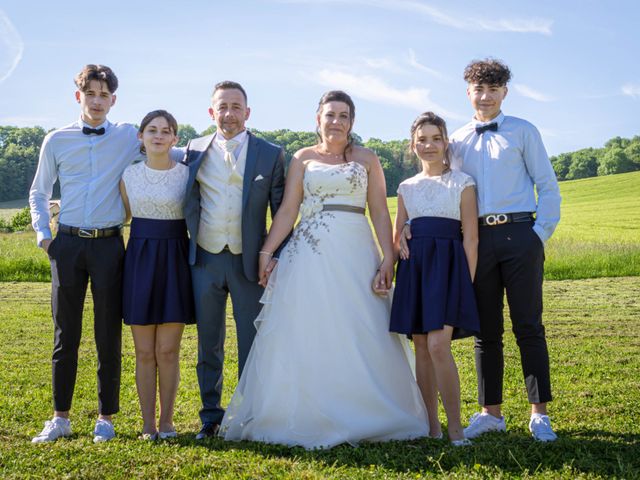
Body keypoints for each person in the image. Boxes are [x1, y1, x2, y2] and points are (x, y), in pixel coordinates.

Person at [219, 90, 428, 449]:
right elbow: (288, 210)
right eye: (330, 114)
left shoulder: (366, 158)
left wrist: (387, 258)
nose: (336, 121)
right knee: (308, 327)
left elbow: (379, 210)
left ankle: (367, 409)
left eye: (344, 115)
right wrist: (267, 251)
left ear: (352, 122)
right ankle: (303, 411)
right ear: (318, 119)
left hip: (355, 249)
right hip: (309, 252)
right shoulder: (302, 158)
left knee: (361, 325)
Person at [403, 59, 561, 442]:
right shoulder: (455, 140)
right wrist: (411, 222)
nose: (486, 96)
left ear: (504, 92)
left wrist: (538, 235)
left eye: (493, 89)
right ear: (468, 92)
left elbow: (548, 186)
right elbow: (443, 185)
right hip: (473, 242)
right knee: (484, 330)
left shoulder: (524, 132)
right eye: (479, 89)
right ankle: (491, 412)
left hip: (521, 235)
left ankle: (538, 413)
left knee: (528, 325)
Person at [29, 65, 144, 443]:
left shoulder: (128, 136)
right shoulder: (56, 140)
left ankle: (105, 419)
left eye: (104, 95)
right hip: (68, 245)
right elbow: (39, 192)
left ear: (113, 99)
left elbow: (168, 144)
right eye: (90, 93)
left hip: (111, 245)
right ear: (78, 96)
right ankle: (60, 417)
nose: (97, 101)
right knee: (66, 334)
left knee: (108, 333)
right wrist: (45, 237)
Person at [183, 81, 286, 440]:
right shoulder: (192, 151)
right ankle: (210, 416)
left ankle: (249, 415)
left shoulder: (270, 153)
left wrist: (273, 258)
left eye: (236, 106)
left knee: (251, 341)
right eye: (222, 107)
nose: (229, 113)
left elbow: (282, 212)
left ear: (247, 112)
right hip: (206, 260)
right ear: (211, 112)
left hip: (249, 262)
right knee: (208, 342)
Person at [390, 112, 479, 446]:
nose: (429, 145)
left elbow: (471, 238)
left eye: (436, 138)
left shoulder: (463, 182)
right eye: (422, 139)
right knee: (422, 347)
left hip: (450, 269)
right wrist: (407, 232)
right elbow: (398, 236)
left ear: (446, 143)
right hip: (416, 270)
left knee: (440, 345)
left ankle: (455, 428)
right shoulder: (406, 188)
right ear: (413, 145)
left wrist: (465, 285)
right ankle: (431, 426)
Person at [119, 110, 194, 441]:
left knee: (167, 351)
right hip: (140, 259)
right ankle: (147, 424)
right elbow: (124, 215)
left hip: (175, 258)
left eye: (166, 131)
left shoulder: (187, 175)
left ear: (175, 139)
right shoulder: (128, 175)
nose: (159, 136)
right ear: (141, 137)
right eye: (152, 130)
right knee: (144, 351)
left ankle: (167, 422)